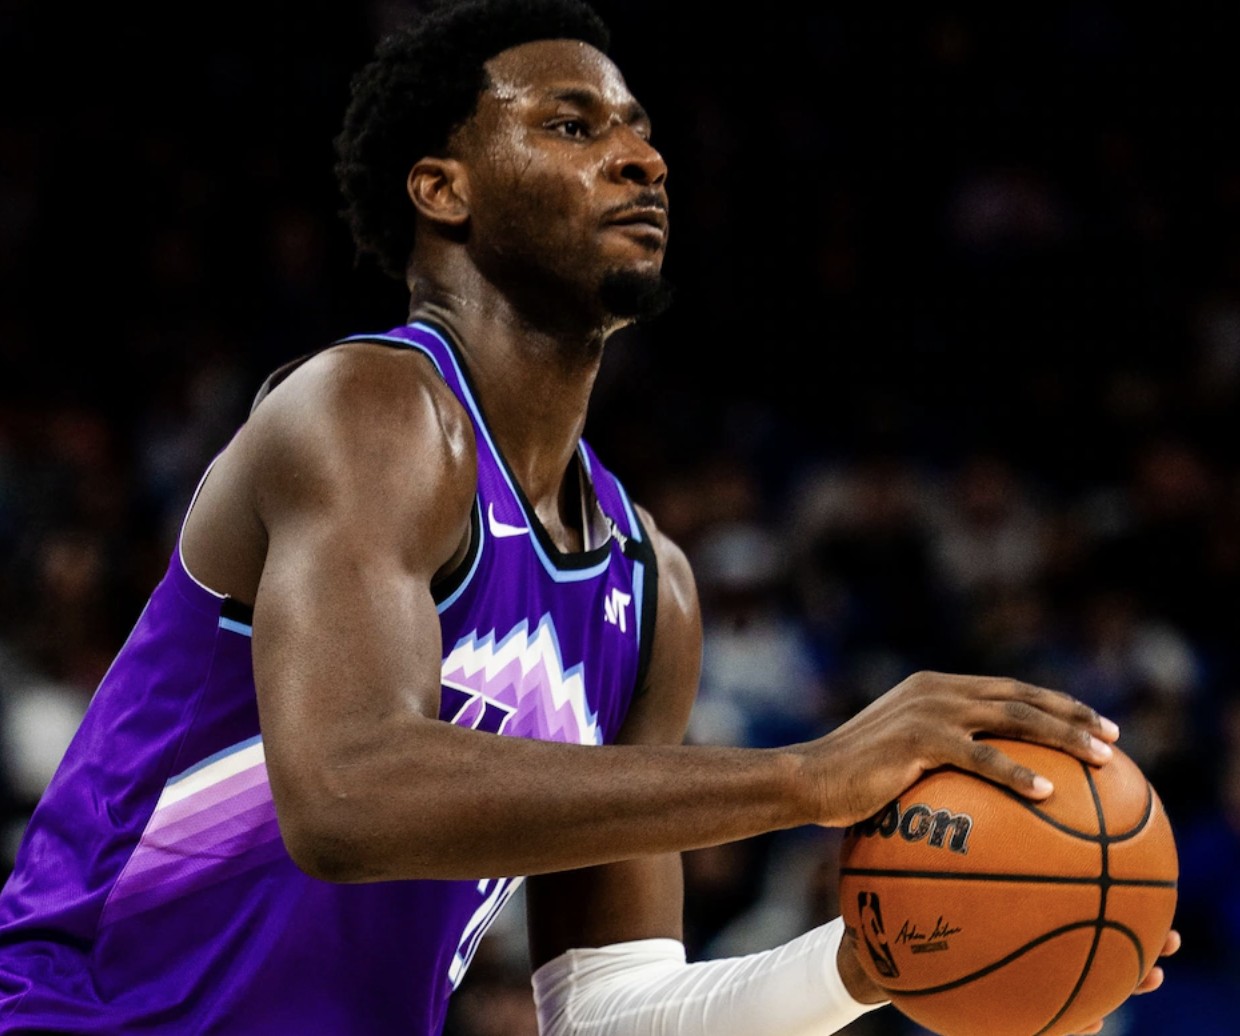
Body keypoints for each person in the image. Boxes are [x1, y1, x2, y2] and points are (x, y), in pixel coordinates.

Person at [0, 1, 1178, 1032]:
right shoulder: (365, 408)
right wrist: (809, 776)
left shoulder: (649, 582)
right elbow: (348, 792)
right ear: (442, 188)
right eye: (572, 125)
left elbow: (612, 1012)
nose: (641, 159)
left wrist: (877, 959)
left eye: (642, 131)